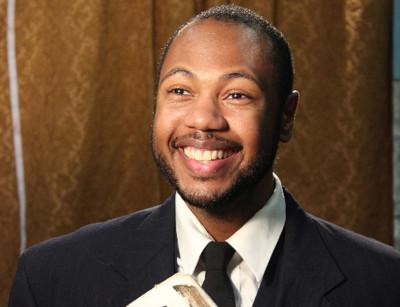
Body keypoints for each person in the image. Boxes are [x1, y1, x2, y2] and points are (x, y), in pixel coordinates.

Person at [8, 4, 400, 307]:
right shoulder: (52, 278)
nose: (203, 119)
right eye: (180, 91)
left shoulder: (384, 284)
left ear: (285, 117)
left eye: (237, 95)